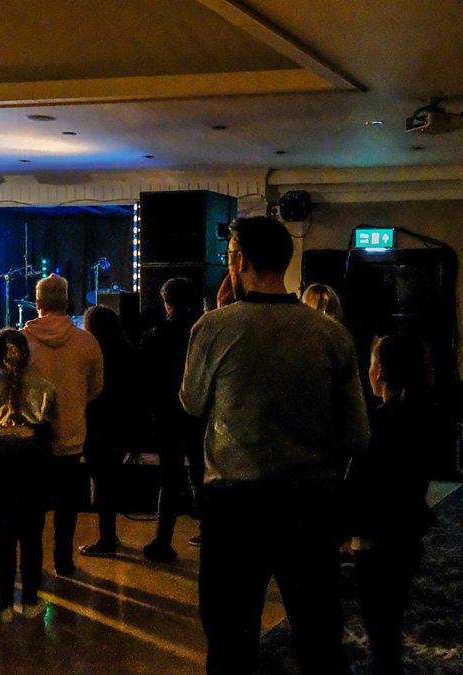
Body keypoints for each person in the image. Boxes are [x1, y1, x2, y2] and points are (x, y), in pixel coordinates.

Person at [181, 216, 370, 674]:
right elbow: (358, 435)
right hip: (310, 503)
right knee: (319, 637)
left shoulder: (214, 328)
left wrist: (216, 316)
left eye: (230, 255)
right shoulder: (331, 334)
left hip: (234, 506)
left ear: (240, 261)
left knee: (230, 638)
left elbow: (192, 402)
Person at [344, 336, 439, 675]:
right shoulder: (423, 414)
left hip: (377, 539)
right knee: (392, 618)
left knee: (379, 627)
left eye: (371, 363)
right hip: (408, 533)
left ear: (381, 370)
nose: (368, 370)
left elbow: (362, 486)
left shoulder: (379, 423)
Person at [0, 329, 56, 624]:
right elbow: (54, 434)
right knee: (32, 538)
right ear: (27, 355)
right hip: (34, 473)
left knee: (4, 539)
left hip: (0, 474)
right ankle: (31, 601)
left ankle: (4, 604)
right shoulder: (46, 389)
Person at [21, 274, 103, 575]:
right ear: (67, 302)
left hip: (31, 435)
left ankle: (31, 565)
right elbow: (96, 388)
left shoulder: (22, 340)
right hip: (70, 431)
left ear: (37, 303)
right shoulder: (86, 341)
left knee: (32, 506)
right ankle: (63, 561)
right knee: (67, 506)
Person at [138, 277, 204, 562]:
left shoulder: (154, 335)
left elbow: (145, 380)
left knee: (170, 477)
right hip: (196, 413)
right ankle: (208, 531)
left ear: (165, 301)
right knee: (199, 472)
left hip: (166, 414)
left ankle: (163, 541)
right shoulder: (201, 334)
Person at [78, 304, 138, 558]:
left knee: (101, 480)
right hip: (121, 423)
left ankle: (106, 539)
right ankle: (109, 534)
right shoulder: (127, 351)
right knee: (110, 479)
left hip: (96, 423)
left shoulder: (92, 354)